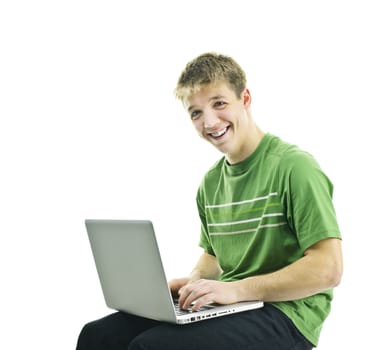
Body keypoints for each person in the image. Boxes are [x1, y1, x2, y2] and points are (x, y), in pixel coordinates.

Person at [76, 52, 343, 350]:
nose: (210, 121)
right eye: (196, 113)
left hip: (287, 316)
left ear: (245, 98)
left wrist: (236, 290)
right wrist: (194, 281)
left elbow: (328, 269)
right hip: (233, 305)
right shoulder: (211, 183)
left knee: (152, 346)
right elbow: (214, 256)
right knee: (98, 336)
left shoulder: (294, 167)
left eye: (219, 103)